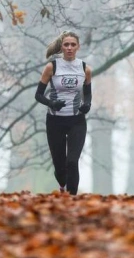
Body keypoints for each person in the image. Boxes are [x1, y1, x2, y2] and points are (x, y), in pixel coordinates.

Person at [34, 31, 92, 195]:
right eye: (66, 44)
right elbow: (38, 95)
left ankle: (72, 200)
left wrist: (87, 104)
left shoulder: (84, 68)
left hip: (77, 121)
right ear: (61, 47)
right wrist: (51, 103)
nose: (69, 48)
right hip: (55, 121)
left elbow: (87, 94)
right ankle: (62, 185)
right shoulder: (52, 67)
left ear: (78, 47)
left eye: (73, 45)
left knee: (72, 162)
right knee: (60, 167)